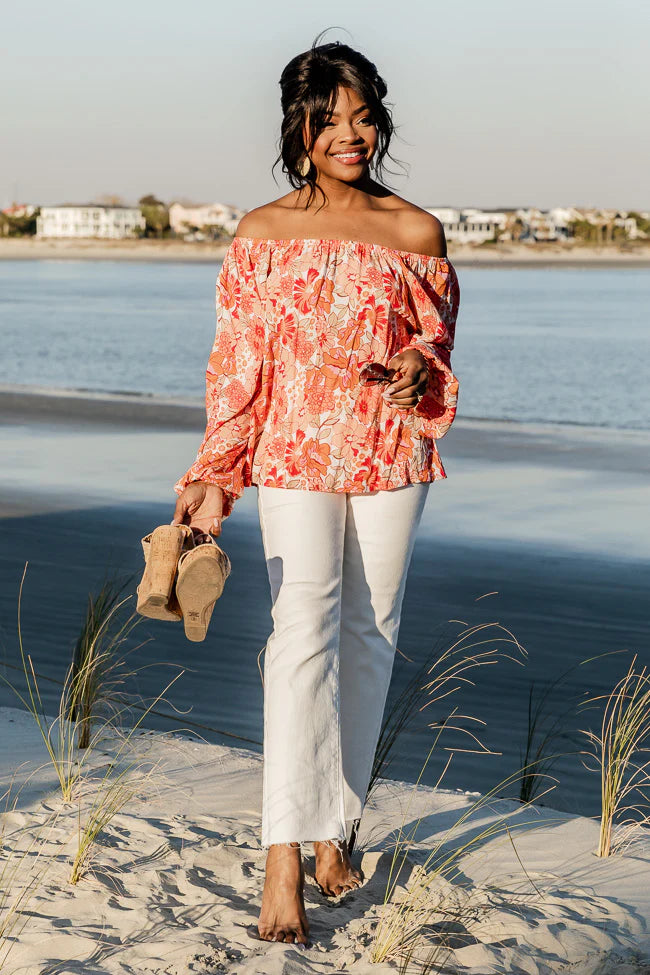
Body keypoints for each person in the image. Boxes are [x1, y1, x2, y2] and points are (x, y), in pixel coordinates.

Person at [171, 34, 460, 945]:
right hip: (293, 449)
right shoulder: (262, 235)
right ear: (297, 126)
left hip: (386, 452)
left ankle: (336, 827)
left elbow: (434, 345)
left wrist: (418, 365)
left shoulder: (416, 232)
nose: (351, 134)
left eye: (363, 116)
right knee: (302, 633)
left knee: (371, 637)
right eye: (330, 117)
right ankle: (284, 857)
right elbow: (238, 369)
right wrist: (217, 471)